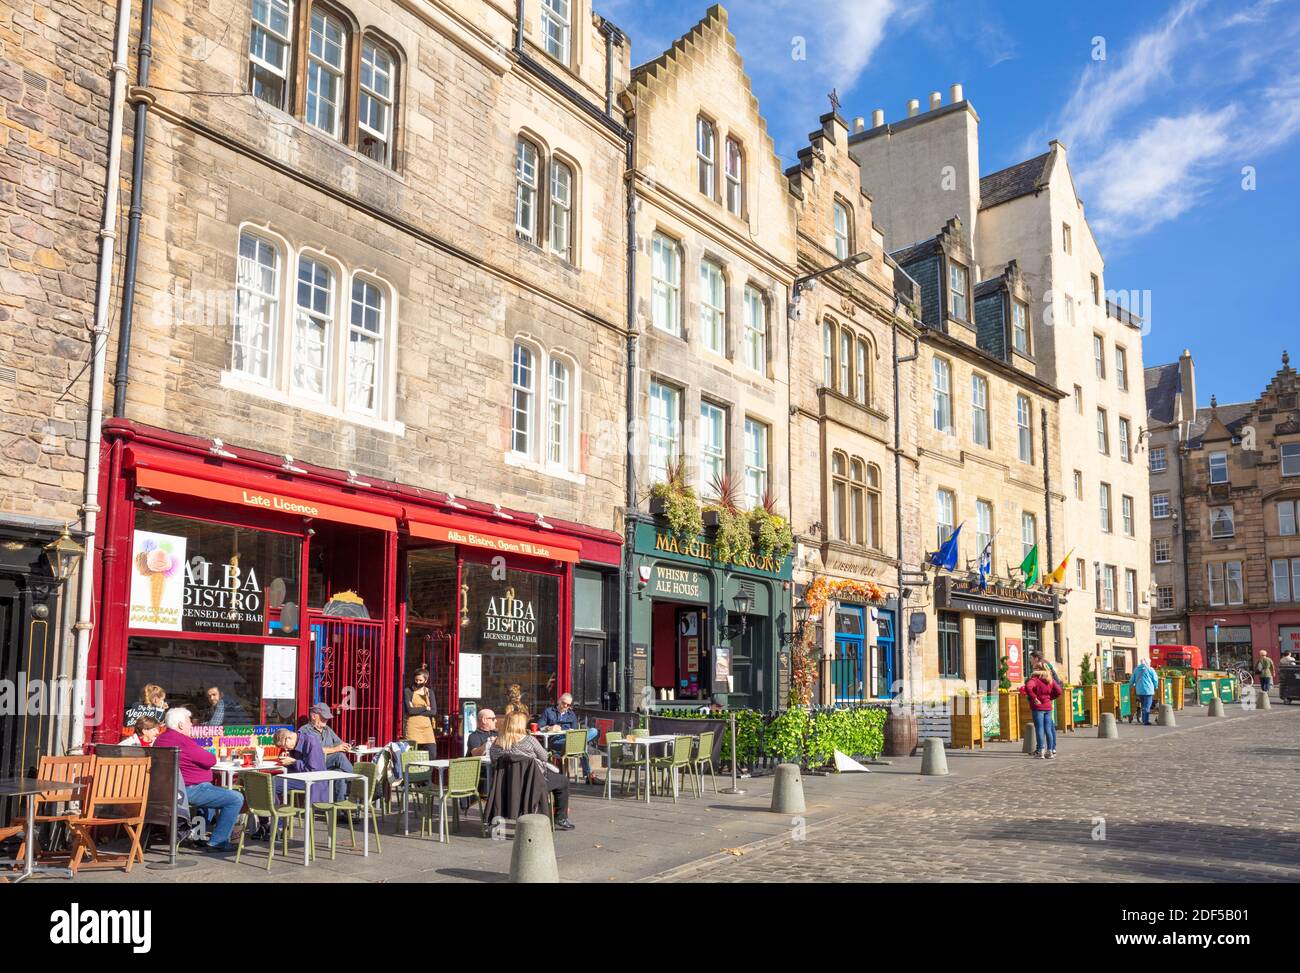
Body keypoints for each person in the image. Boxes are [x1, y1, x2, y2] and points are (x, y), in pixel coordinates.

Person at [155, 707, 244, 853]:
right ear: (180, 725)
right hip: (187, 790)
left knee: (208, 790)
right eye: (189, 721)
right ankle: (217, 842)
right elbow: (209, 759)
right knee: (236, 798)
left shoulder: (161, 738)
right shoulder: (182, 740)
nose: (191, 725)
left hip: (169, 790)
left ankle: (197, 836)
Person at [490, 711, 574, 830]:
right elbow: (544, 757)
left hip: (507, 785)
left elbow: (494, 762)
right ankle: (560, 818)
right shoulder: (529, 740)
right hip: (533, 783)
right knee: (563, 781)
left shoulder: (497, 743)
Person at [540, 692, 599, 784]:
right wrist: (549, 728)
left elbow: (575, 729)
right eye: (563, 703)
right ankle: (588, 775)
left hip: (570, 740)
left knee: (594, 731)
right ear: (559, 701)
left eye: (568, 705)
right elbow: (540, 726)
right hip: (556, 741)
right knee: (582, 747)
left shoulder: (571, 714)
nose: (565, 706)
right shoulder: (549, 711)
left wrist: (572, 731)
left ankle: (579, 743)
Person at [299, 703, 353, 801]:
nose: (326, 719)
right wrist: (336, 749)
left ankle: (340, 810)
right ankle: (360, 782)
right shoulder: (304, 731)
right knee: (339, 756)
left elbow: (339, 743)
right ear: (313, 716)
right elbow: (314, 751)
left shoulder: (327, 730)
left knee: (340, 774)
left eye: (327, 717)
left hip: (327, 764)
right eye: (323, 717)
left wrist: (345, 745)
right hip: (313, 765)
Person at [273, 727, 332, 804]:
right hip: (300, 777)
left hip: (313, 780)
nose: (285, 749)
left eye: (284, 746)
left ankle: (275, 813)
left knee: (272, 784)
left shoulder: (311, 742)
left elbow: (313, 770)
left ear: (289, 738)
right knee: (269, 782)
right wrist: (287, 762)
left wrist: (293, 762)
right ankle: (275, 813)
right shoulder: (295, 744)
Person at [1020, 664, 1061, 758]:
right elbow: (1058, 691)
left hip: (1038, 707)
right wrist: (1050, 698)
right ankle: (1050, 751)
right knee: (1048, 729)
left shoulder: (1034, 679)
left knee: (1039, 728)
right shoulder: (1050, 679)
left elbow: (1028, 687)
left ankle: (1040, 751)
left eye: (1034, 668)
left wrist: (1034, 698)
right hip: (1048, 707)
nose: (1033, 669)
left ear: (1038, 669)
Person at [403, 667, 437, 758]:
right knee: (412, 756)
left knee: (432, 754)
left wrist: (416, 710)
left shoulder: (429, 692)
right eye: (416, 680)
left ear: (426, 680)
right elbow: (409, 710)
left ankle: (427, 772)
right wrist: (425, 708)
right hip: (412, 728)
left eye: (420, 680)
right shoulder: (408, 691)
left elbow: (433, 711)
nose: (418, 682)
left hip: (426, 728)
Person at [1130, 658, 1160, 726]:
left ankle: (1144, 719)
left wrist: (1129, 687)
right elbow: (1155, 680)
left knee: (1143, 705)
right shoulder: (1150, 670)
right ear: (1148, 663)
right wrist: (1156, 687)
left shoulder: (1136, 669)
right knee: (1147, 706)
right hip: (1148, 691)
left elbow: (1132, 680)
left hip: (1139, 691)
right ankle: (1145, 721)